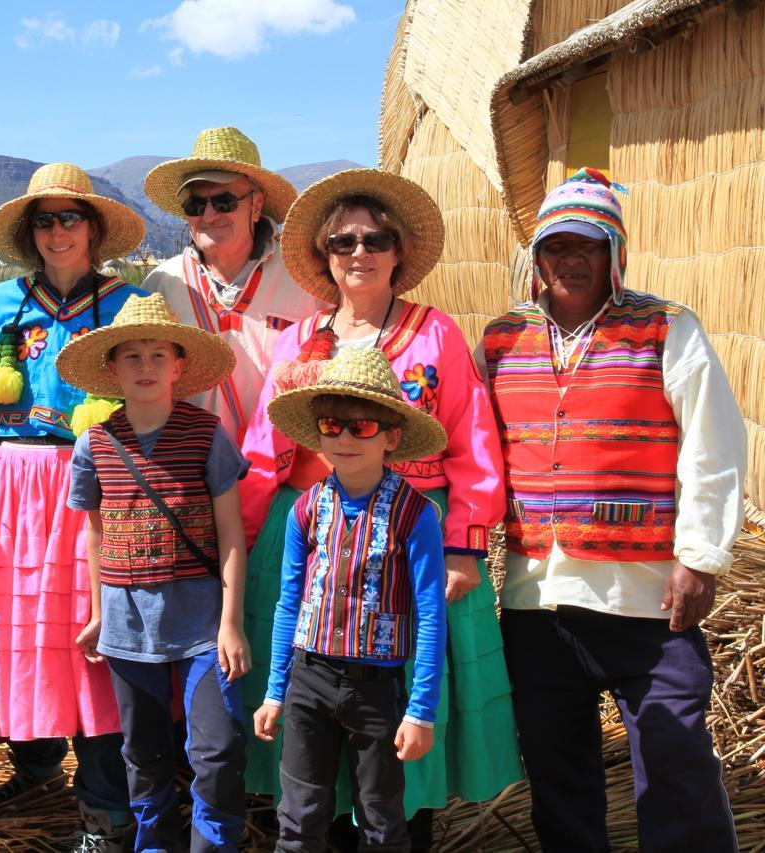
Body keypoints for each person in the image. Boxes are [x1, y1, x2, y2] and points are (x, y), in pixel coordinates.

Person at [238, 169, 522, 848]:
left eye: (374, 238)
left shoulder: (436, 335)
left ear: (398, 251)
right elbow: (259, 452)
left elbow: (474, 441)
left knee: (406, 691)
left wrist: (464, 543)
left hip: (417, 538)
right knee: (312, 694)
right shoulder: (297, 341)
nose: (359, 251)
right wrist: (244, 546)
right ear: (326, 255)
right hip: (311, 534)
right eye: (343, 240)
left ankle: (401, 828)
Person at [482, 168, 745, 853]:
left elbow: (714, 446)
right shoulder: (502, 339)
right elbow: (474, 448)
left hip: (649, 600)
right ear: (535, 258)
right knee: (558, 775)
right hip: (537, 602)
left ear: (614, 254)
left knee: (676, 761)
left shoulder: (665, 328)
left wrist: (700, 557)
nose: (570, 259)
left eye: (587, 245)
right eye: (554, 247)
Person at [0, 163, 149, 850]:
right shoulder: (3, 301)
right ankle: (35, 765)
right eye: (45, 219)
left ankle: (105, 810)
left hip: (96, 484)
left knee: (92, 645)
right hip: (11, 486)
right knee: (20, 633)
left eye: (70, 217)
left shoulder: (129, 304)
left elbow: (152, 400)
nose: (58, 230)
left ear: (94, 228)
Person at [57, 293, 250, 852]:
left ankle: (213, 845)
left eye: (158, 355)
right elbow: (96, 532)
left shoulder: (206, 434)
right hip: (126, 623)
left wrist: (231, 623)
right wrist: (97, 614)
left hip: (201, 623)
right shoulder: (94, 443)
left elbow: (230, 532)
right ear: (112, 369)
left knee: (216, 749)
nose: (146, 367)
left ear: (179, 366)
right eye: (133, 357)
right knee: (142, 753)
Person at [253, 346, 448, 852]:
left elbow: (430, 614)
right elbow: (288, 602)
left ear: (391, 437)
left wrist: (421, 710)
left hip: (377, 689)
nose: (343, 437)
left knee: (382, 820)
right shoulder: (305, 510)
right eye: (331, 425)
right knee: (298, 816)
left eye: (361, 427)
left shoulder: (416, 515)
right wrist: (276, 690)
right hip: (307, 680)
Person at [142, 126, 326, 443]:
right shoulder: (162, 284)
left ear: (256, 206)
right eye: (196, 206)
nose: (209, 215)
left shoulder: (305, 278)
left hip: (282, 474)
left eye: (224, 202)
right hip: (188, 474)